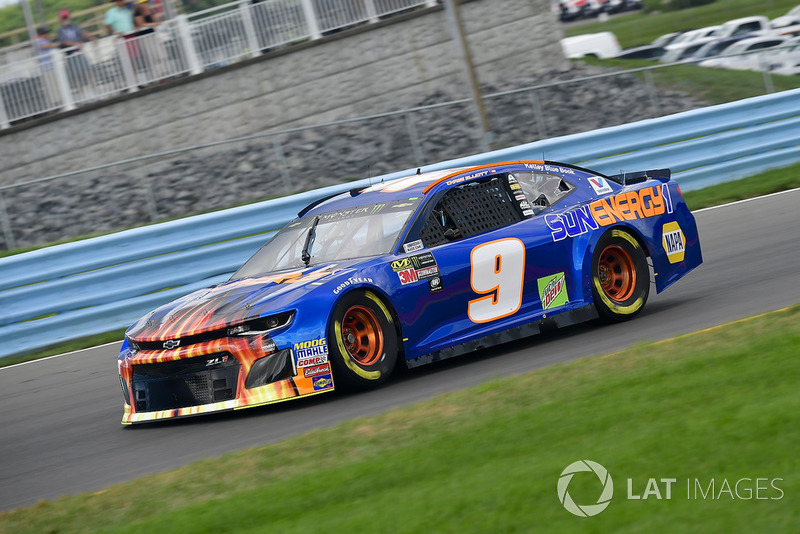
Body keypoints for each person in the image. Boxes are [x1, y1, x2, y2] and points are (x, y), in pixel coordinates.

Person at [56, 10, 96, 98]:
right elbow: (64, 42)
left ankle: (94, 91)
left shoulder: (75, 26)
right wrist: (76, 44)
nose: (65, 19)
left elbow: (82, 33)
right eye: (63, 18)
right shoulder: (60, 30)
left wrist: (91, 37)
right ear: (60, 19)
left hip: (79, 52)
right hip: (69, 55)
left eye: (66, 17)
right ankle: (81, 95)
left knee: (88, 72)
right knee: (75, 76)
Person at [34, 26, 61, 107]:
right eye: (47, 33)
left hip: (51, 66)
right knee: (52, 87)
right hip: (47, 68)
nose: (48, 34)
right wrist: (56, 45)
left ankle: (60, 103)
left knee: (56, 85)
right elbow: (44, 46)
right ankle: (57, 104)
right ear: (42, 34)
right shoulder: (40, 41)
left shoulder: (46, 41)